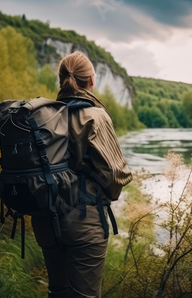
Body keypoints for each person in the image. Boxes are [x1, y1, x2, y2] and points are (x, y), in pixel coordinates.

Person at [31, 51, 133, 298]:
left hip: (45, 218)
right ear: (91, 80)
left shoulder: (43, 116)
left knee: (57, 292)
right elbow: (116, 176)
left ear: (61, 80)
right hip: (84, 222)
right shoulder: (95, 116)